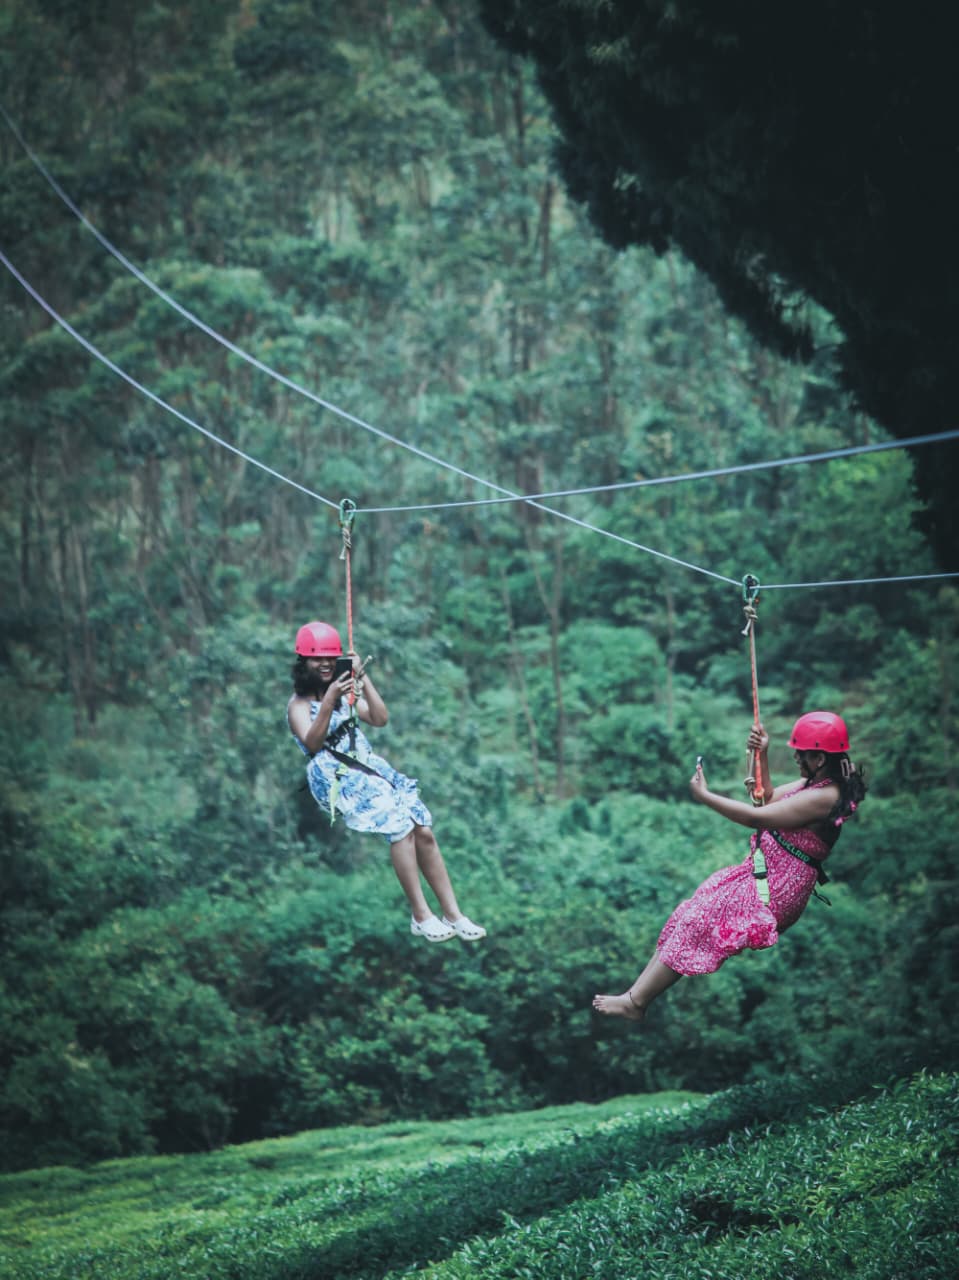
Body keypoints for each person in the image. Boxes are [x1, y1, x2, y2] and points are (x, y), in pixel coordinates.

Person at [592, 711, 866, 1022]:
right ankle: (634, 998)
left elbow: (756, 817)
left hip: (778, 887)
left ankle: (636, 1001)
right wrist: (761, 753)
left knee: (700, 918)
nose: (794, 758)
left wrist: (706, 797)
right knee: (691, 911)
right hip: (763, 871)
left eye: (799, 753)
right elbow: (769, 799)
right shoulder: (816, 783)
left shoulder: (825, 797)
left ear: (818, 758)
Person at [287, 620, 486, 944]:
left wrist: (361, 679)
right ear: (303, 662)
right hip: (336, 776)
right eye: (316, 658)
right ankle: (421, 915)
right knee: (400, 828)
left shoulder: (344, 693)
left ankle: (453, 913)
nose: (324, 664)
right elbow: (311, 742)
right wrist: (328, 702)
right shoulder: (298, 705)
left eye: (329, 658)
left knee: (422, 828)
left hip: (367, 766)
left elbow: (379, 718)